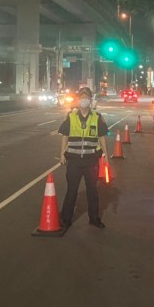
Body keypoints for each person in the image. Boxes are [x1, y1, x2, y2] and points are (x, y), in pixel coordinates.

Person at [58, 87, 109, 228]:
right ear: (78, 100)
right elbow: (65, 136)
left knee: (92, 190)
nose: (84, 100)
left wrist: (105, 157)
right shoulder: (71, 116)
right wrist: (61, 154)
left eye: (86, 97)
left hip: (91, 161)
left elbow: (102, 137)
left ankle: (94, 218)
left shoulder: (97, 117)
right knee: (72, 190)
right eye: (81, 97)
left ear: (91, 100)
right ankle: (66, 219)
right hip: (74, 160)